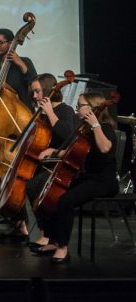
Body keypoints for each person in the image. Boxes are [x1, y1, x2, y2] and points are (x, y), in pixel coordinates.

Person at [33, 92, 118, 264]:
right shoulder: (83, 128)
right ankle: (53, 240)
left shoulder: (105, 128)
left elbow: (105, 148)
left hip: (103, 181)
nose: (76, 108)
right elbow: (77, 152)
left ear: (92, 108)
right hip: (88, 177)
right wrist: (54, 151)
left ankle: (62, 247)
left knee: (65, 200)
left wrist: (95, 125)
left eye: (80, 105)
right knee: (51, 194)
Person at [0, 73, 76, 245]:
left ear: (49, 91)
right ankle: (22, 225)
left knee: (33, 186)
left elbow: (68, 137)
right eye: (33, 92)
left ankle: (46, 233)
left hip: (58, 166)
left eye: (37, 91)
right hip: (42, 163)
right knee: (9, 180)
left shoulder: (65, 110)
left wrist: (50, 113)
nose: (34, 96)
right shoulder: (41, 113)